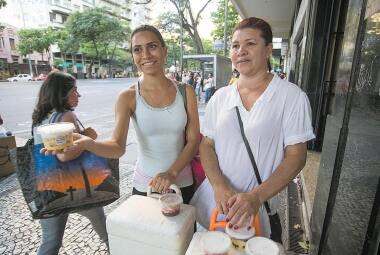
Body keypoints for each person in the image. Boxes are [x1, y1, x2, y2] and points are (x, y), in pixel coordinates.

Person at [190, 17, 315, 240]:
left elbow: (296, 156)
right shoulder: (220, 97)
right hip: (216, 206)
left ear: (268, 49)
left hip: (258, 210)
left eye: (250, 44)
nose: (241, 51)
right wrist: (219, 185)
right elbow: (207, 144)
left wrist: (256, 197)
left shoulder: (292, 97)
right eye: (236, 46)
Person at [46, 25, 200, 204]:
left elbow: (194, 139)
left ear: (164, 50)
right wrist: (87, 144)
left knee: (185, 231)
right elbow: (117, 147)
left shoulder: (185, 91)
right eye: (137, 49)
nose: (146, 55)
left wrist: (172, 173)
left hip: (183, 182)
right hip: (146, 185)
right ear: (133, 56)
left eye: (152, 46)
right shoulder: (127, 96)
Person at [32, 72, 108, 255]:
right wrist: (89, 136)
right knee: (107, 233)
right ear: (62, 93)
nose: (78, 95)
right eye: (75, 90)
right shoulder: (65, 116)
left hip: (49, 188)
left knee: (50, 242)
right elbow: (65, 156)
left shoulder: (42, 117)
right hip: (79, 184)